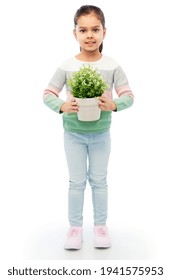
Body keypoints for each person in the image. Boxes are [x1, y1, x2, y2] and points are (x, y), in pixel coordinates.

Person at [43, 5, 134, 250]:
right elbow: (49, 93)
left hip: (101, 134)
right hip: (73, 133)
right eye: (83, 30)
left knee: (99, 181)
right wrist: (62, 106)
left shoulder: (112, 65)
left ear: (105, 31)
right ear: (75, 34)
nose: (90, 35)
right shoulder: (67, 66)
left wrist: (114, 104)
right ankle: (74, 229)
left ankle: (100, 227)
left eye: (95, 29)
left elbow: (128, 95)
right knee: (76, 182)